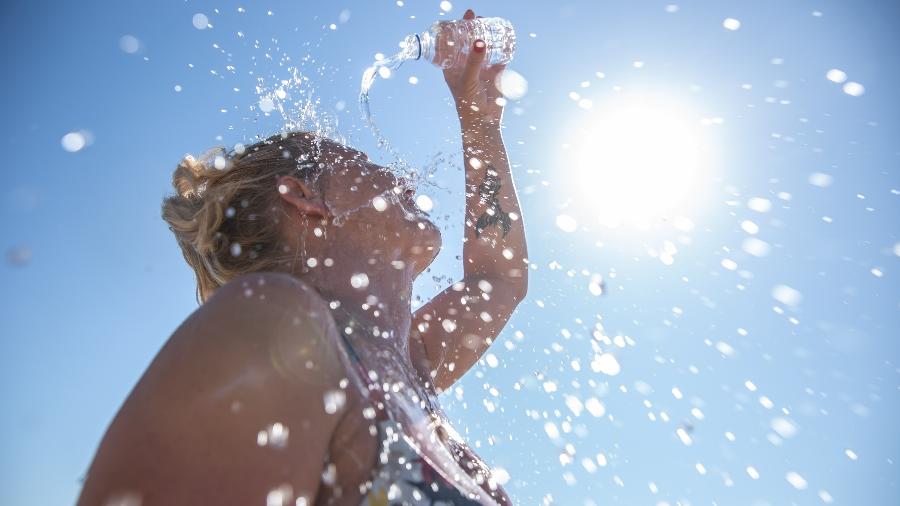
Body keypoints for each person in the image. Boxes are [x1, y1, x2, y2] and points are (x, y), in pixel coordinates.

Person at [77, 8, 527, 506]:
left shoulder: (406, 366)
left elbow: (498, 279)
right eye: (368, 164)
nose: (405, 180)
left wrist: (480, 123)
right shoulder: (280, 330)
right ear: (306, 198)